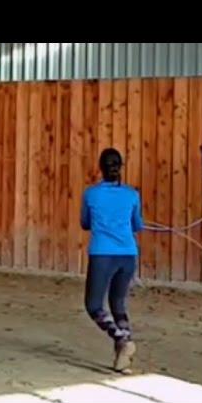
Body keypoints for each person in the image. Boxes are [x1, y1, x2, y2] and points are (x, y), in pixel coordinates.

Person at [80, 148, 143, 373]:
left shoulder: (91, 194)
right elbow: (138, 225)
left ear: (100, 167)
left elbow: (85, 223)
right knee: (118, 304)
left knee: (94, 305)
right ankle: (122, 356)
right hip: (128, 253)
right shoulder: (132, 195)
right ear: (121, 167)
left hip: (102, 254)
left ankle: (122, 340)